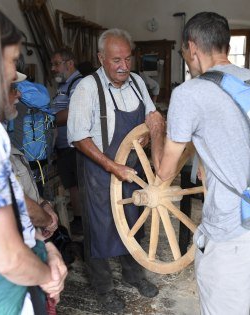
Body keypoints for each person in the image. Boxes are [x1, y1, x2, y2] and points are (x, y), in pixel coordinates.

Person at [146, 12, 250, 315]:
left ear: (193, 47)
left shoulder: (190, 93)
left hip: (232, 234)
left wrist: (158, 129)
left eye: (184, 52)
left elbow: (164, 172)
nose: (185, 58)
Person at [67, 28, 159, 313]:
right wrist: (111, 165)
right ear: (101, 58)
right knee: (100, 228)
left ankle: (133, 275)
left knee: (132, 223)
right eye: (116, 60)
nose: (123, 66)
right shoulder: (87, 88)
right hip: (99, 170)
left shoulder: (137, 84)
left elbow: (152, 117)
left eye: (128, 59)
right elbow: (79, 136)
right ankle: (104, 288)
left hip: (132, 167)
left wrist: (148, 135)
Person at [0, 3, 67, 314]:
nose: (13, 75)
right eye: (11, 62)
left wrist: (42, 245)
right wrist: (48, 275)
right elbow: (7, 255)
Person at [9, 75, 58, 238]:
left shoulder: (17, 95)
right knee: (38, 196)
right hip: (38, 162)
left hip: (20, 159)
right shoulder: (38, 90)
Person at [50, 47, 83, 233]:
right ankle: (78, 220)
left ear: (69, 63)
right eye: (52, 65)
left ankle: (84, 222)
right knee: (72, 185)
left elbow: (73, 113)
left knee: (78, 184)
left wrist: (48, 121)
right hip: (63, 146)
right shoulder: (63, 86)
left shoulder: (78, 84)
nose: (53, 68)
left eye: (57, 64)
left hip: (75, 145)